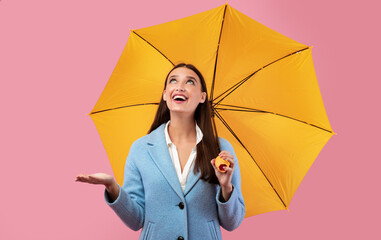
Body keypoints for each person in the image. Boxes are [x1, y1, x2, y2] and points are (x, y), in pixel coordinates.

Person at [76, 63, 245, 240]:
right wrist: (112, 187)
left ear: (202, 97)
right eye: (173, 81)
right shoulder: (141, 149)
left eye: (190, 82)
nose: (180, 86)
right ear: (165, 94)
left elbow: (232, 223)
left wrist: (226, 186)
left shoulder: (220, 150)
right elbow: (136, 220)